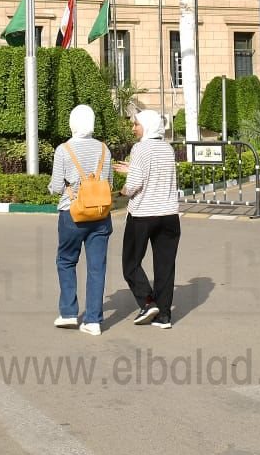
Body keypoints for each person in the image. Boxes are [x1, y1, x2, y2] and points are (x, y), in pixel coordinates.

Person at [48, 105, 113, 336]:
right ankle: (93, 320)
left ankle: (68, 313)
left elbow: (56, 187)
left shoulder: (64, 150)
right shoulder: (104, 149)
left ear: (72, 123)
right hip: (101, 216)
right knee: (97, 267)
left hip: (72, 214)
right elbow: (109, 184)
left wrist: (54, 188)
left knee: (66, 261)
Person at [112, 109, 180, 329]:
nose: (133, 128)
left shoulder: (140, 148)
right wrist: (132, 169)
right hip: (169, 215)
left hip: (143, 215)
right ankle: (164, 317)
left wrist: (123, 191)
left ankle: (148, 301)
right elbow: (155, 173)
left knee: (130, 263)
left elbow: (134, 185)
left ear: (147, 126)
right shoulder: (168, 148)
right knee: (165, 266)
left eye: (136, 124)